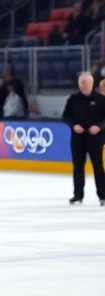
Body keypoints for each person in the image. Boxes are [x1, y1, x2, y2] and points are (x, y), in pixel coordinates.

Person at [62, 71, 105, 206]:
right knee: (78, 166)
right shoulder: (73, 99)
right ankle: (78, 195)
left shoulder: (101, 99)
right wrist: (74, 126)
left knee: (98, 166)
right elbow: (66, 116)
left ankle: (103, 196)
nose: (84, 85)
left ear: (92, 83)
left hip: (95, 138)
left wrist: (99, 126)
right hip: (78, 138)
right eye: (82, 82)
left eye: (86, 82)